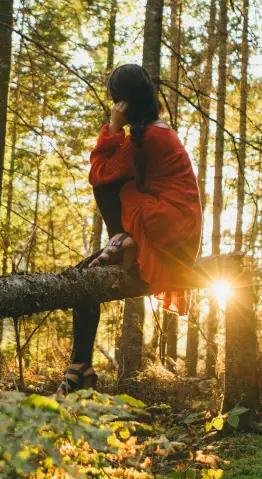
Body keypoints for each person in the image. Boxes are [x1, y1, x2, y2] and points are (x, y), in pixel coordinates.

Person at [57, 63, 202, 395]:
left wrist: (112, 127)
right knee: (84, 275)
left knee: (107, 182)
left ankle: (124, 241)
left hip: (166, 229)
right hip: (170, 229)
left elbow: (99, 173)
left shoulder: (148, 137)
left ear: (123, 101)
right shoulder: (152, 131)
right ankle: (80, 367)